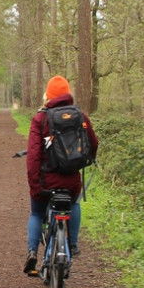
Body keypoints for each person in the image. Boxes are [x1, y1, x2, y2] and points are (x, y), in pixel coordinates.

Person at [24, 75, 98, 276]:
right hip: (71, 181)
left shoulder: (41, 119)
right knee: (73, 205)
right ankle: (72, 246)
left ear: (48, 95)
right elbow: (93, 143)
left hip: (46, 181)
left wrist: (34, 184)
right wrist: (88, 159)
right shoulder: (80, 116)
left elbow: (33, 155)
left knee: (37, 213)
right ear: (67, 94)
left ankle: (32, 252)